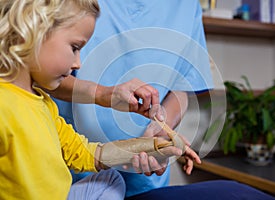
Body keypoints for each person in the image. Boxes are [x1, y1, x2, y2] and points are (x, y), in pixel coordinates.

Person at [0, 1, 199, 199]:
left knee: (112, 180)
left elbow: (84, 152)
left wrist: (154, 147)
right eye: (74, 48)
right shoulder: (4, 106)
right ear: (33, 31)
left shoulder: (43, 103)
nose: (78, 63)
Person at [50, 0, 212, 198]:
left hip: (145, 177)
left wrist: (163, 127)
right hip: (71, 169)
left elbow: (184, 84)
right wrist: (102, 94)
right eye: (75, 48)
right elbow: (40, 69)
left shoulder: (187, 5)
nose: (77, 63)